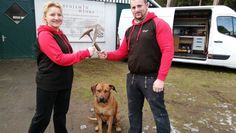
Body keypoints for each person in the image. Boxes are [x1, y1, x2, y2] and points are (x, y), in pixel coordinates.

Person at [98, 0, 174, 132]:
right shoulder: (129, 30)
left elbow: (168, 51)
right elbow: (121, 52)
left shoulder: (159, 24)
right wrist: (108, 55)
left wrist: (161, 78)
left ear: (147, 5)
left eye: (139, 6)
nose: (136, 10)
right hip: (132, 78)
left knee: (159, 113)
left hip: (152, 79)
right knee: (133, 113)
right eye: (133, 7)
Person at [28, 1, 95, 133]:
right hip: (49, 84)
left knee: (60, 114)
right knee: (42, 118)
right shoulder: (45, 35)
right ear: (45, 18)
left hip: (64, 82)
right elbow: (59, 58)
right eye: (52, 14)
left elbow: (68, 55)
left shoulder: (60, 34)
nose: (57, 17)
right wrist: (85, 53)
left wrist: (83, 54)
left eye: (59, 14)